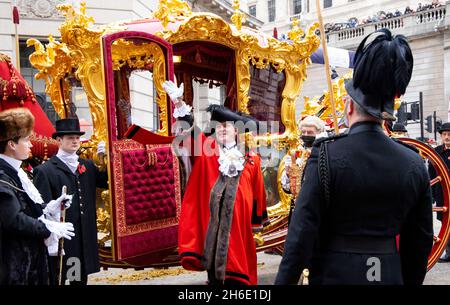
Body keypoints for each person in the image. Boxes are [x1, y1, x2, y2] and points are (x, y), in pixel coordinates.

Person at [275, 28, 433, 285]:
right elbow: (420, 241)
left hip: (334, 274)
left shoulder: (325, 154)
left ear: (349, 107)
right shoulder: (414, 162)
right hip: (389, 274)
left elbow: (300, 236)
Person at [161, 81, 268, 285]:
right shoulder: (207, 150)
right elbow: (191, 129)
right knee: (217, 271)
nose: (222, 130)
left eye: (226, 126)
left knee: (238, 273)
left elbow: (257, 192)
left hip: (239, 226)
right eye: (218, 127)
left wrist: (256, 221)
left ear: (236, 130)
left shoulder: (252, 158)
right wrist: (179, 103)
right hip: (212, 224)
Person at [0, 108, 74, 285]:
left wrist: (49, 209)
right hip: (12, 264)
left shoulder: (17, 172)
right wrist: (48, 228)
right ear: (11, 144)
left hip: (28, 260)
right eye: (26, 140)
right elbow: (14, 220)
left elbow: (25, 208)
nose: (31, 145)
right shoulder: (3, 175)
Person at [33, 117, 108, 285]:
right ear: (59, 140)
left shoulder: (87, 165)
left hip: (84, 236)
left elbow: (106, 181)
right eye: (70, 138)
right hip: (62, 237)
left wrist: (106, 159)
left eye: (77, 138)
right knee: (59, 278)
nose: (75, 141)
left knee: (79, 279)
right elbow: (42, 208)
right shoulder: (45, 171)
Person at [429, 122, 450, 262]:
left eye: (449, 135)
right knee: (445, 223)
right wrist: (430, 195)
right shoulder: (436, 152)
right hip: (442, 195)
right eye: (444, 135)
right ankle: (448, 252)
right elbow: (431, 174)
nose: (447, 137)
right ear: (441, 136)